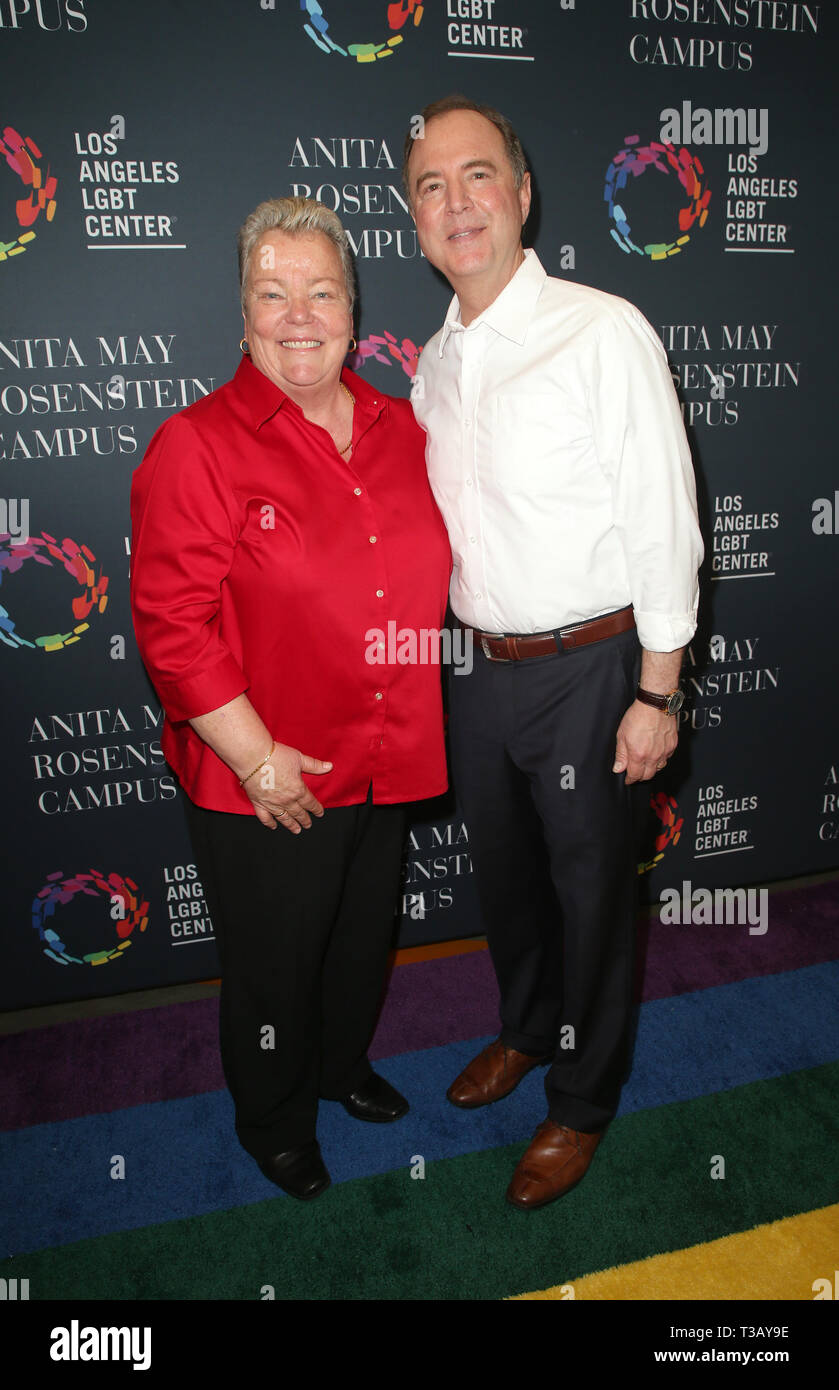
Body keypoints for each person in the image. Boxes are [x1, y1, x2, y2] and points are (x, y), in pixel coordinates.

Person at [403, 97, 703, 1209]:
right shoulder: (432, 365)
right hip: (478, 670)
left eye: (476, 176)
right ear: (415, 219)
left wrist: (654, 691)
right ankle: (526, 1031)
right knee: (510, 884)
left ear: (521, 195)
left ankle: (580, 1097)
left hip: (591, 669)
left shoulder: (600, 327)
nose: (457, 203)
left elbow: (662, 516)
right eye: (431, 187)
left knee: (589, 896)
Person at [130, 196, 451, 1201]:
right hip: (265, 774)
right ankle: (272, 1114)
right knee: (274, 963)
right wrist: (257, 755)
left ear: (353, 311)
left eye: (320, 292)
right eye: (274, 293)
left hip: (385, 753)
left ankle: (337, 1067)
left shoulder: (404, 429)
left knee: (361, 940)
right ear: (243, 312)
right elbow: (171, 625)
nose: (298, 314)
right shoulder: (198, 444)